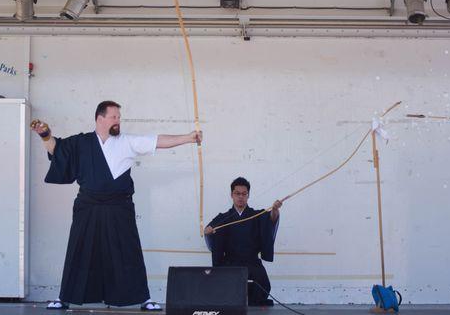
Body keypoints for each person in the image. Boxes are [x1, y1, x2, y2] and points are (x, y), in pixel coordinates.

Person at [31, 100, 202, 311]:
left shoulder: (127, 141)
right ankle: (64, 296)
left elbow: (158, 141)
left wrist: (188, 138)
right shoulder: (81, 143)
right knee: (79, 249)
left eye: (119, 117)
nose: (118, 121)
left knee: (128, 251)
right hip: (88, 206)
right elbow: (56, 149)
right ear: (100, 119)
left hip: (119, 207)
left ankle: (144, 298)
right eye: (114, 117)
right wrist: (45, 135)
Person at [204, 177, 282, 306]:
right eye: (237, 193)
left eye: (244, 194)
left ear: (248, 195)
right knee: (222, 292)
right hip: (230, 263)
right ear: (232, 195)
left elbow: (271, 219)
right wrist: (208, 231)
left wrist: (274, 209)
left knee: (262, 285)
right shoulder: (223, 217)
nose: (240, 197)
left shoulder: (256, 215)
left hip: (252, 262)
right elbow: (209, 231)